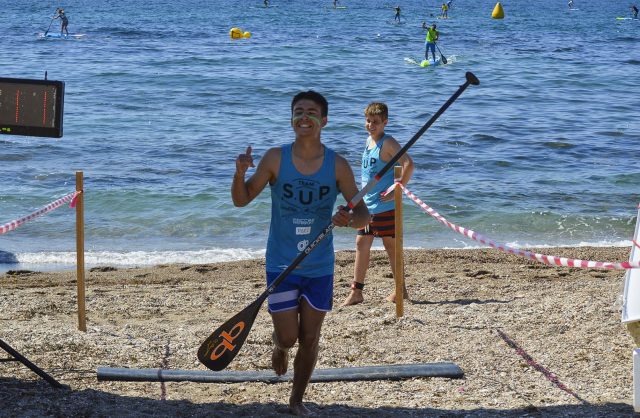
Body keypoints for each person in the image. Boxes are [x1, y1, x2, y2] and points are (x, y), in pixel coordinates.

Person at [231, 91, 369, 416]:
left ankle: (296, 400)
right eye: (298, 112)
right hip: (281, 263)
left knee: (310, 337)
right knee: (289, 337)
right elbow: (241, 200)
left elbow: (364, 215)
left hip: (319, 265)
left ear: (324, 120)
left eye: (311, 112)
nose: (304, 117)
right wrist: (239, 173)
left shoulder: (337, 165)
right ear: (292, 118)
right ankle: (278, 345)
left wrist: (349, 220)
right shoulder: (275, 159)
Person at [341, 102, 414, 307]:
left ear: (385, 122)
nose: (371, 125)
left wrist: (397, 190)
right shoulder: (368, 141)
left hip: (385, 206)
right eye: (368, 121)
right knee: (361, 243)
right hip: (367, 205)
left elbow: (408, 164)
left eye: (375, 122)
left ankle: (401, 289)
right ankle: (357, 292)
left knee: (390, 246)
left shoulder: (388, 142)